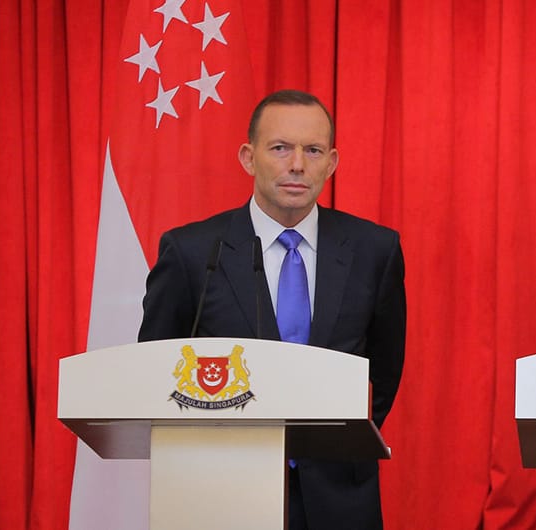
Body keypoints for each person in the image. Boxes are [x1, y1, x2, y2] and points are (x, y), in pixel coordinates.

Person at [138, 89, 406, 530]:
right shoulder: (192, 253)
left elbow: (385, 369)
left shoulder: (374, 250)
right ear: (249, 157)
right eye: (280, 148)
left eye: (313, 150)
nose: (297, 164)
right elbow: (155, 367)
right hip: (221, 494)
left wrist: (336, 442)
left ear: (332, 162)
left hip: (339, 498)